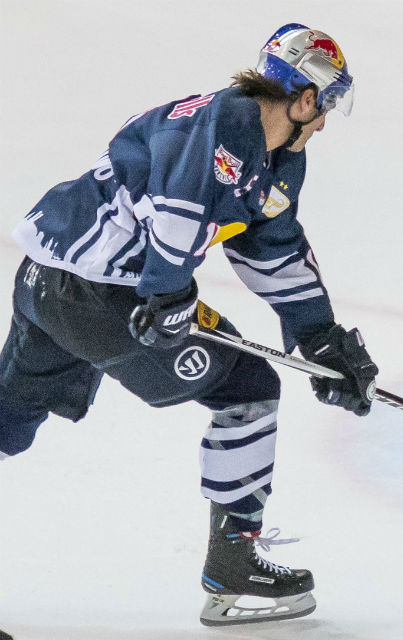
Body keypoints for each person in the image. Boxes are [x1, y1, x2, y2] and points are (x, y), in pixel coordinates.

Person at [0, 23, 378, 626]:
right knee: (248, 390)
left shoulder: (272, 158)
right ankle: (233, 570)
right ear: (305, 98)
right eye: (327, 103)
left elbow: (272, 250)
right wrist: (168, 292)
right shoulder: (228, 125)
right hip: (101, 295)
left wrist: (320, 337)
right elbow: (182, 204)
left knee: (5, 425)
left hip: (50, 279)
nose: (327, 121)